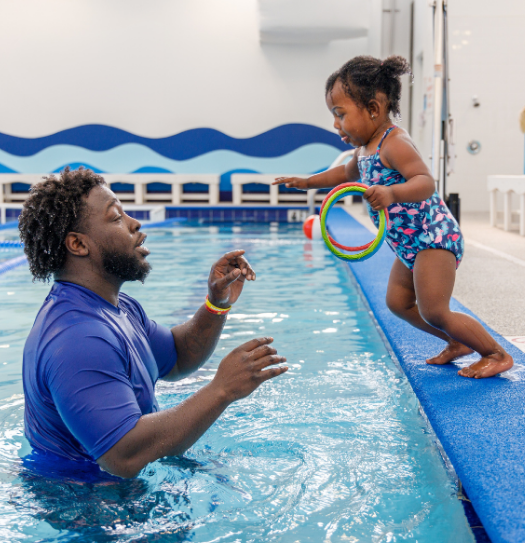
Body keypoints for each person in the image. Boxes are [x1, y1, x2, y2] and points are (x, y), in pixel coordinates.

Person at [19, 168, 288, 478]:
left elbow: (177, 356)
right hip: (80, 501)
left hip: (116, 493)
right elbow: (124, 455)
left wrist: (216, 303)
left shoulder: (117, 308)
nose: (134, 223)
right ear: (78, 244)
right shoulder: (77, 339)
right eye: (116, 217)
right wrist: (222, 390)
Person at [273, 55, 513, 379]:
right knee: (398, 303)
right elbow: (343, 174)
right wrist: (307, 182)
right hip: (408, 243)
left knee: (434, 309)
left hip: (432, 237)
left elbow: (425, 182)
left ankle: (496, 353)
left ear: (373, 109)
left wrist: (392, 193)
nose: (335, 124)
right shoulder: (363, 151)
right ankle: (457, 342)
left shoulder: (394, 143)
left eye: (340, 114)